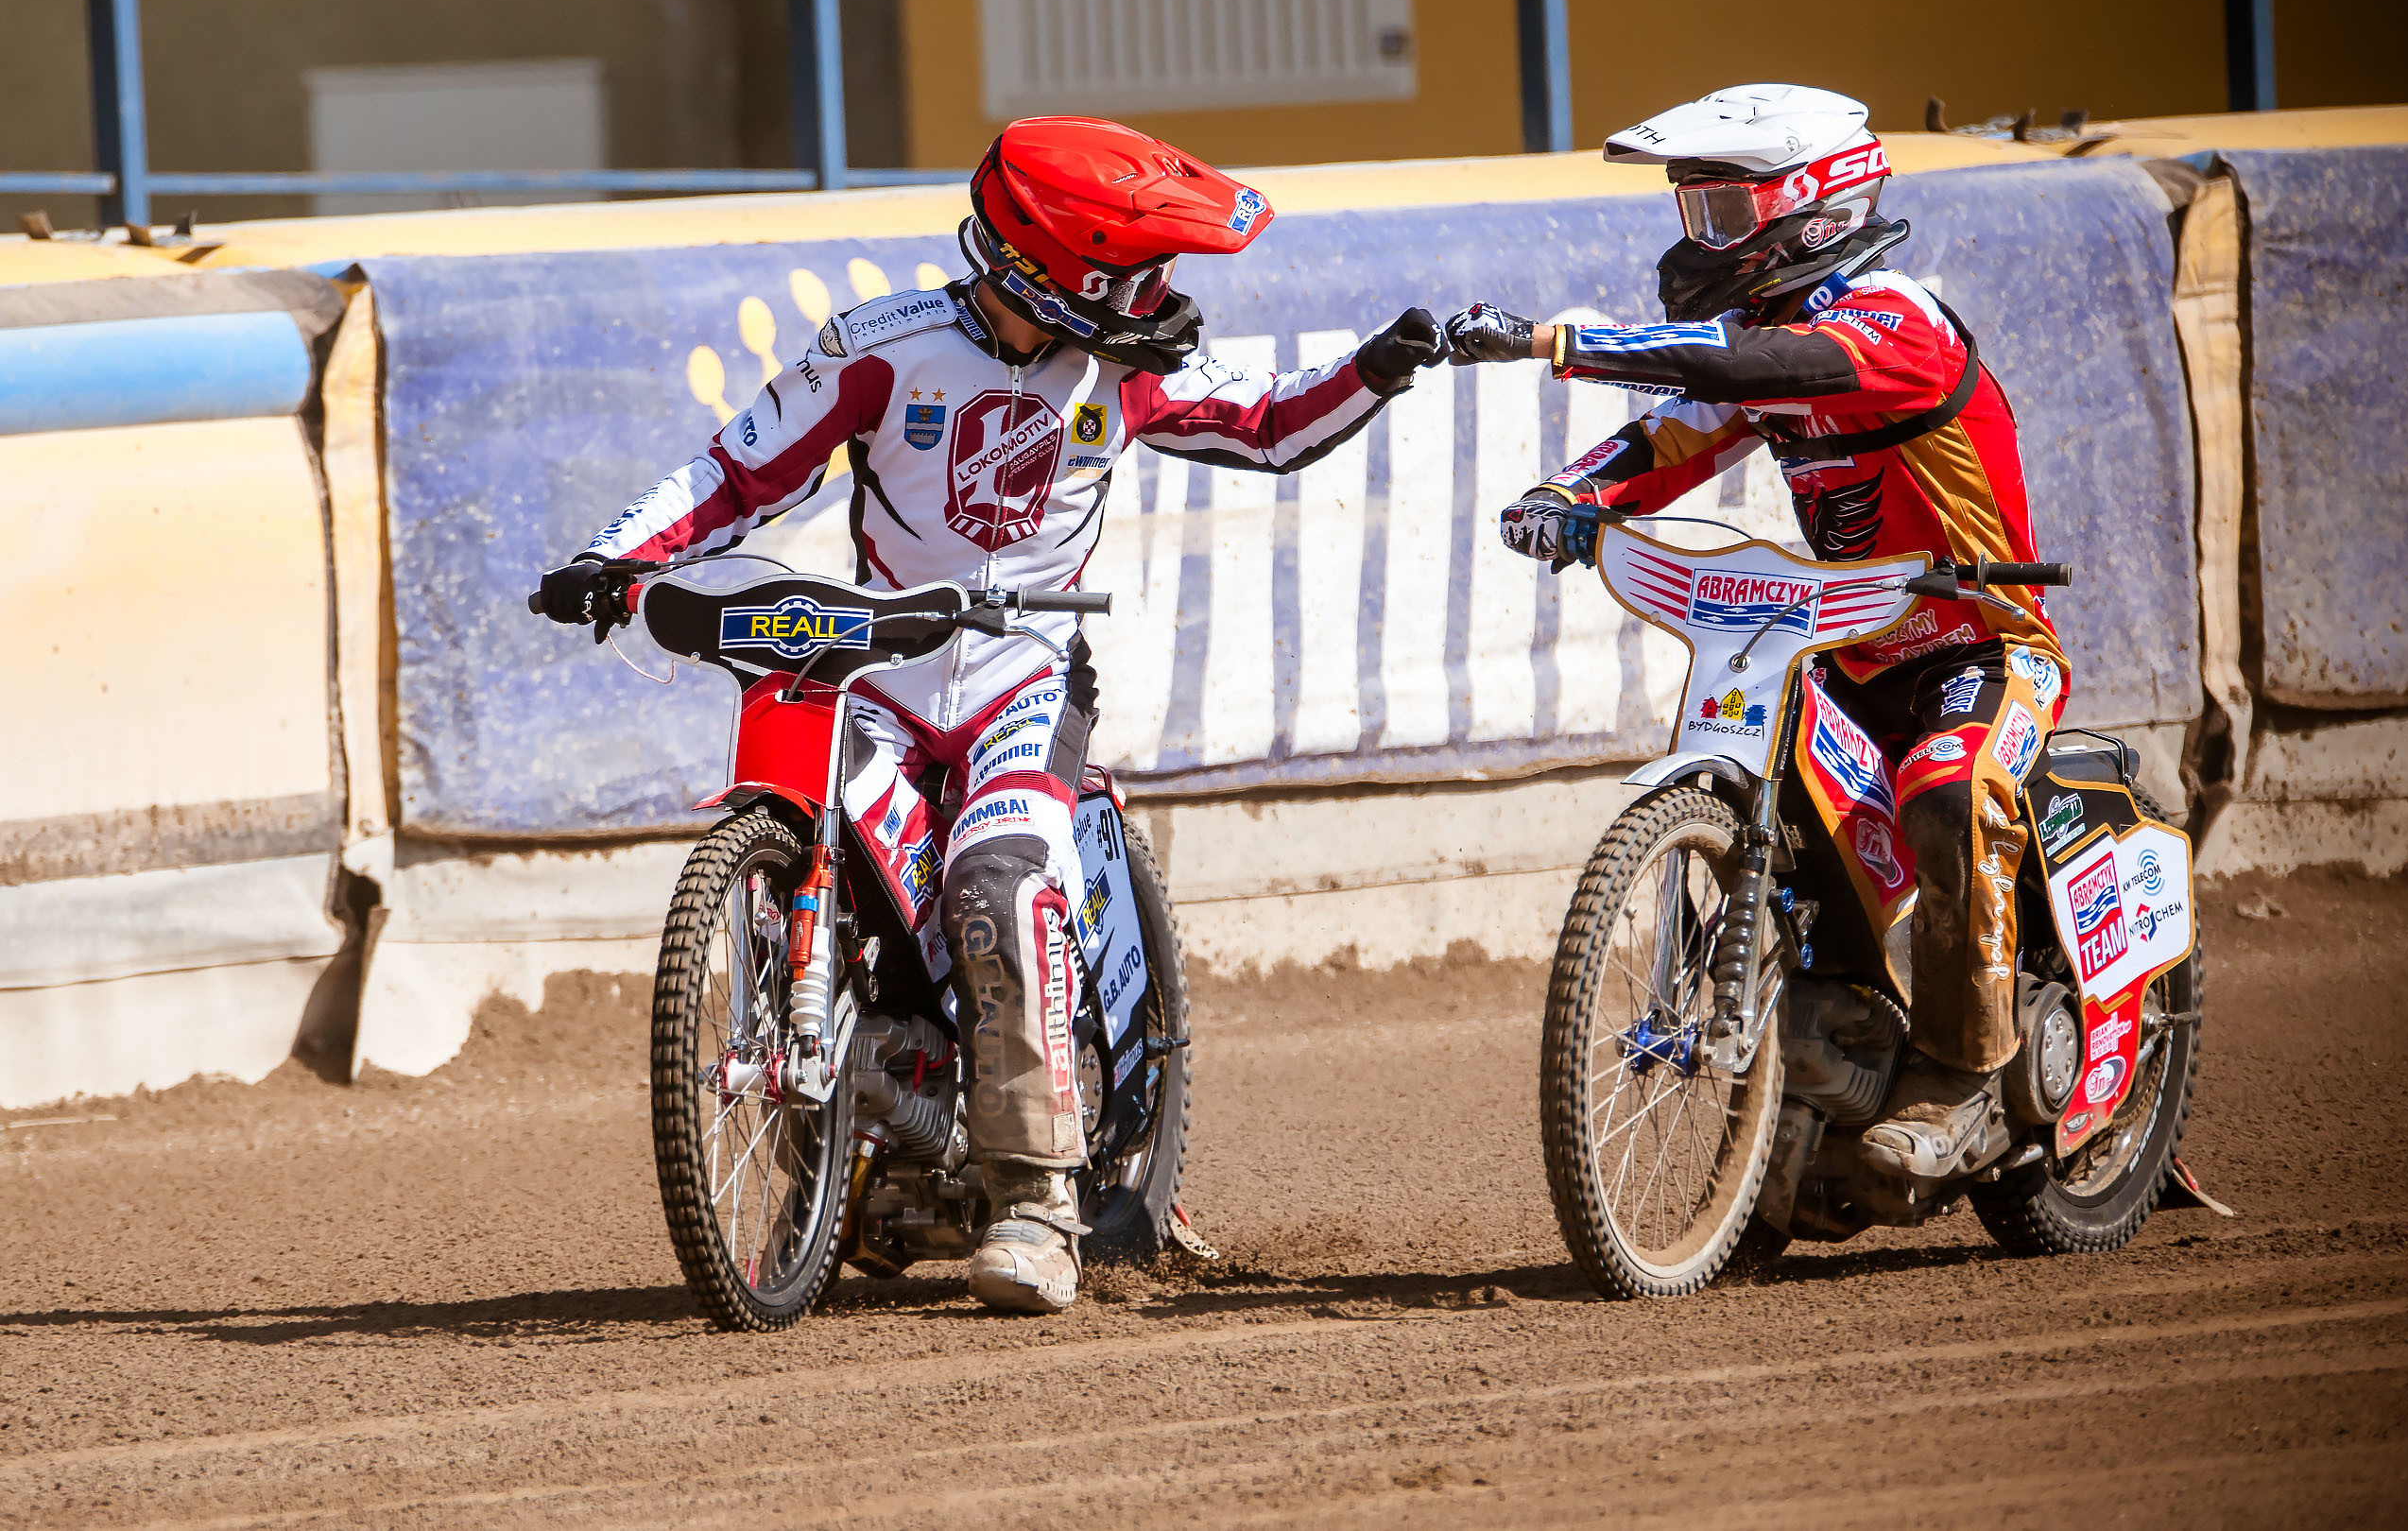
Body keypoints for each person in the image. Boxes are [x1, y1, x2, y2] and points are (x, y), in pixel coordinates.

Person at [536, 116, 1445, 1313]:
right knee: (826, 833)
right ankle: (856, 1112)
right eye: (1131, 277)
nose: (1156, 297)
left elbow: (1270, 424)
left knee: (999, 876)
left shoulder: (1129, 369)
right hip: (883, 669)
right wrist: (610, 557)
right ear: (1042, 268)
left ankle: (1034, 1203)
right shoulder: (883, 348)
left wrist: (1376, 366)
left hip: (1025, 669)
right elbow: (735, 473)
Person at [1447, 84, 2067, 1185]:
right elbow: (1670, 436)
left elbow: (1741, 372)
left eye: (1724, 217)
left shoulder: (1892, 319)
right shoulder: (1766, 335)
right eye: (1694, 218)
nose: (1704, 244)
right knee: (1775, 803)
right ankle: (1824, 1049)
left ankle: (1963, 1075)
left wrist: (1554, 341)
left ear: (1813, 208)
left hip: (1980, 641)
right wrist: (1566, 497)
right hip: (1848, 647)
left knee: (1947, 789)